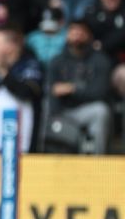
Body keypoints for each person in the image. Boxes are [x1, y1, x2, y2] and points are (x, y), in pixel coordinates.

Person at [47, 20, 114, 154]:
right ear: (67, 35)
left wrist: (72, 89)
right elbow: (52, 90)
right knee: (45, 106)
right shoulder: (57, 61)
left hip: (86, 111)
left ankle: (97, 160)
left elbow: (100, 93)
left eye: (81, 32)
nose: (77, 35)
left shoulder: (101, 60)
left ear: (89, 36)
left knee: (101, 110)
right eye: (73, 31)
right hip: (63, 111)